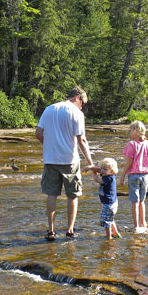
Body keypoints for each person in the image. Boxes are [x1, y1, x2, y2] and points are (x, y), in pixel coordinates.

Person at [35, 86, 95, 241]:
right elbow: (81, 140)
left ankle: (51, 230)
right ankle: (69, 230)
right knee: (73, 196)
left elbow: (38, 133)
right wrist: (91, 163)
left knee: (51, 194)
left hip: (50, 160)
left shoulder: (48, 109)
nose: (82, 106)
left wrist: (48, 146)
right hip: (70, 161)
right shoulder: (77, 113)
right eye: (83, 102)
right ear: (77, 97)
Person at [119, 121, 148, 233]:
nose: (130, 132)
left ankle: (136, 226)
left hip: (134, 176)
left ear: (136, 132)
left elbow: (129, 162)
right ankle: (143, 223)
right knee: (142, 201)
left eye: (131, 130)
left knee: (134, 202)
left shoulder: (131, 144)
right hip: (146, 175)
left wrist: (122, 176)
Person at [90, 157, 121, 240]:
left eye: (105, 169)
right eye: (101, 168)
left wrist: (92, 173)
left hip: (109, 204)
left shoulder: (109, 178)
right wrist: (92, 168)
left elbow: (97, 180)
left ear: (111, 171)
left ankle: (108, 237)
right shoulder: (108, 175)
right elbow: (99, 170)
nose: (102, 171)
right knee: (110, 219)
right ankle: (116, 234)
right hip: (110, 203)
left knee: (106, 221)